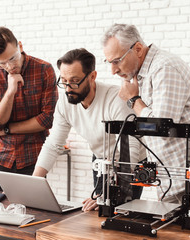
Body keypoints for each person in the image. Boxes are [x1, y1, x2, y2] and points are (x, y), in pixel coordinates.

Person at [102, 23, 190, 219]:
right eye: (109, 62)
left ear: (138, 49)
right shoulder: (142, 75)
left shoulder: (165, 68)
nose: (113, 70)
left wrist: (133, 100)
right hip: (173, 180)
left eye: (117, 61)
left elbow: (161, 127)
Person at [32, 48, 146, 212]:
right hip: (101, 159)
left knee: (121, 213)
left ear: (92, 76)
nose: (68, 88)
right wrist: (34, 182)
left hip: (128, 163)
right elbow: (53, 145)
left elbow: (130, 152)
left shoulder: (115, 99)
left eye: (74, 81)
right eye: (64, 81)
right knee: (97, 211)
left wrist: (102, 195)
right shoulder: (65, 102)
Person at [0, 26, 58, 191]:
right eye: (2, 63)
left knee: (32, 212)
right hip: (0, 157)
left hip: (34, 157)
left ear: (20, 47)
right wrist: (10, 92)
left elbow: (47, 119)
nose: (10, 67)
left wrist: (7, 129)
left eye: (12, 58)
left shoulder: (44, 70)